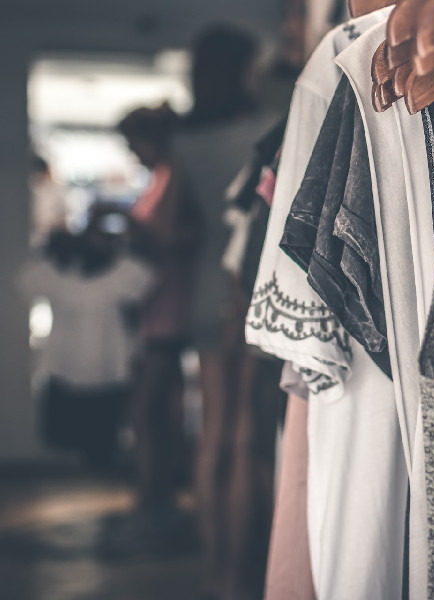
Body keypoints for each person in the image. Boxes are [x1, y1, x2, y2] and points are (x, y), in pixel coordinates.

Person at [172, 24, 281, 600]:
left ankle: (213, 572)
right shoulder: (264, 131)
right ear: (241, 71)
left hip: (202, 287)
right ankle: (237, 581)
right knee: (241, 434)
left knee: (209, 432)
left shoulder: (183, 142)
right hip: (247, 284)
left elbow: (176, 224)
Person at [117, 105, 203, 529]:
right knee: (159, 409)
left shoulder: (175, 175)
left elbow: (172, 236)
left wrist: (126, 224)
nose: (132, 152)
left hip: (171, 306)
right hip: (159, 304)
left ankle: (153, 498)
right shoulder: (163, 178)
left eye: (134, 144)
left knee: (146, 408)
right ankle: (156, 497)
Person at [18, 225, 153, 468]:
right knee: (66, 437)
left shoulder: (120, 275)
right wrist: (56, 248)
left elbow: (144, 277)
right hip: (66, 370)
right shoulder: (56, 276)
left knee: (105, 437)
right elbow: (26, 280)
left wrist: (120, 244)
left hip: (108, 370)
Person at [29, 155, 67, 248]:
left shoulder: (55, 191)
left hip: (52, 237)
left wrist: (54, 224)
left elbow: (64, 214)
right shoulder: (29, 190)